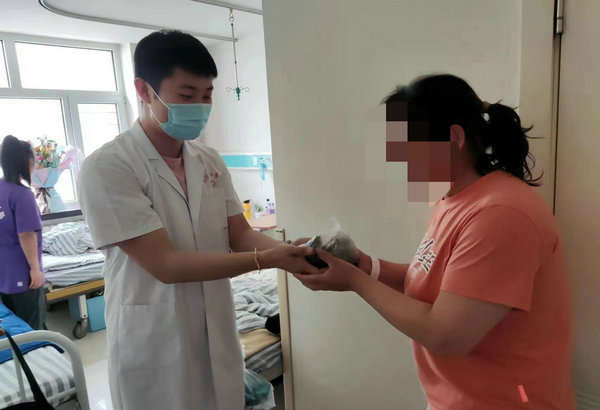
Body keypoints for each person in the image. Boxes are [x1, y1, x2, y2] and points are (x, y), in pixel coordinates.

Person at [293, 74, 575, 410]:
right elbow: (431, 281)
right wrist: (361, 264)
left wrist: (354, 280)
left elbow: (446, 334)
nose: (399, 160)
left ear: (454, 137)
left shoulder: (501, 214)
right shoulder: (453, 198)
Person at [77, 30, 317, 410]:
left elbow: (241, 235)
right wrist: (268, 259)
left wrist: (289, 252)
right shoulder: (109, 167)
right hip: (154, 340)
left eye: (207, 96)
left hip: (216, 328)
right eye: (187, 95)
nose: (200, 107)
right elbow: (167, 265)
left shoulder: (209, 160)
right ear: (144, 90)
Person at [0, 135, 46, 330]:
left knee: (12, 327)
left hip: (3, 272)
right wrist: (35, 269)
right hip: (22, 272)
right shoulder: (22, 194)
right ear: (25, 162)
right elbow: (26, 234)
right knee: (32, 330)